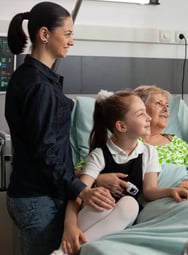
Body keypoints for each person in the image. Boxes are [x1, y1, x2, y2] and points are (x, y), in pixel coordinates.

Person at [5, 3, 114, 255]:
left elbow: (42, 145)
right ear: (44, 34)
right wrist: (81, 191)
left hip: (28, 193)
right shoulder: (40, 86)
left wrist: (75, 173)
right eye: (67, 34)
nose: (71, 42)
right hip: (38, 200)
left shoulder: (26, 76)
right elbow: (46, 151)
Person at [55, 90, 188, 255]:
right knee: (108, 204)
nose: (149, 118)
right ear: (121, 126)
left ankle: (70, 251)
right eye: (141, 114)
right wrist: (70, 226)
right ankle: (66, 251)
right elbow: (78, 192)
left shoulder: (149, 152)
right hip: (93, 214)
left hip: (123, 214)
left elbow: (150, 191)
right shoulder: (99, 155)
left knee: (130, 204)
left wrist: (172, 191)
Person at [95, 85, 188, 198]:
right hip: (158, 199)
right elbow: (83, 171)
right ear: (141, 108)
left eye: (167, 105)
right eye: (159, 103)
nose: (166, 109)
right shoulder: (126, 141)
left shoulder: (176, 142)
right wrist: (99, 179)